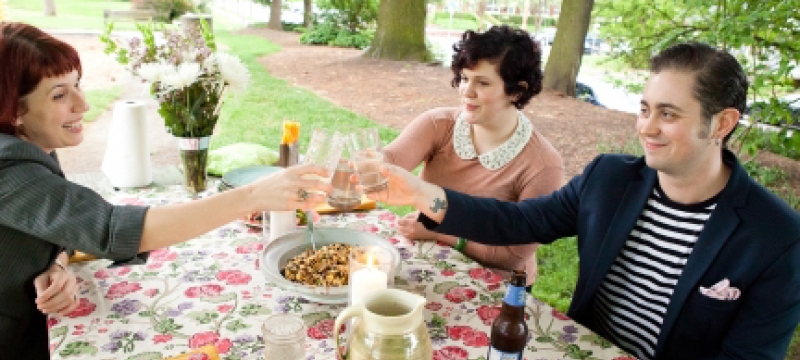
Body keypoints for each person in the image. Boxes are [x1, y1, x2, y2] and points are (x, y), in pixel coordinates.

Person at [367, 42, 800, 359]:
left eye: (668, 114)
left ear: (721, 123)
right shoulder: (609, 178)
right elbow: (518, 223)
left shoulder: (776, 237)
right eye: (644, 108)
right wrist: (423, 194)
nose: (647, 128)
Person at [0, 22, 331, 359]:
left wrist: (56, 265)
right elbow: (111, 230)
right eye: (59, 94)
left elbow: (66, 223)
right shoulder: (8, 167)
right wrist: (254, 195)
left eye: (77, 86)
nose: (82, 104)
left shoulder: (31, 145)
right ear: (13, 109)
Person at [382, 25, 563, 286]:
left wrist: (440, 233)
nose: (467, 91)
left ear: (517, 91)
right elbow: (390, 159)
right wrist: (369, 163)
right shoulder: (438, 124)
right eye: (465, 78)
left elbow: (511, 256)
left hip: (497, 286)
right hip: (431, 263)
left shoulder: (543, 165)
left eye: (483, 83)